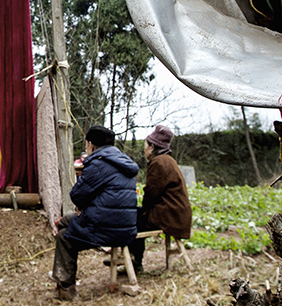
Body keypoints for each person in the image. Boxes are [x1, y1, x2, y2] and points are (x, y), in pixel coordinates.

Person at [51, 125, 139, 301]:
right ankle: (62, 273)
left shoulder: (98, 164)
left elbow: (76, 194)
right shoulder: (124, 162)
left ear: (91, 144)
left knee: (63, 237)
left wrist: (82, 205)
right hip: (127, 227)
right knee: (64, 222)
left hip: (105, 228)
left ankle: (65, 287)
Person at [127, 124, 192, 272]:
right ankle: (134, 259)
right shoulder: (169, 160)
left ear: (152, 146)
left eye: (145, 144)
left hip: (170, 215)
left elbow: (151, 192)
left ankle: (134, 261)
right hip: (177, 213)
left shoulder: (158, 162)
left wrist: (143, 209)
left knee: (131, 218)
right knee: (137, 215)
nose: (144, 148)